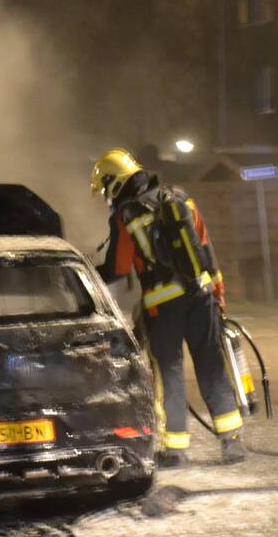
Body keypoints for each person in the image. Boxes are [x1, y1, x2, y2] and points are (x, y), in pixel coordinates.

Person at [90, 148, 245, 467]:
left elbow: (118, 269)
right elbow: (204, 246)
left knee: (169, 373)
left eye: (106, 187)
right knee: (211, 364)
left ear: (115, 182)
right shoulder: (179, 197)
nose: (106, 195)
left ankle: (175, 450)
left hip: (164, 307)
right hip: (202, 297)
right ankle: (231, 443)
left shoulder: (127, 215)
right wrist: (218, 293)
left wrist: (88, 272)